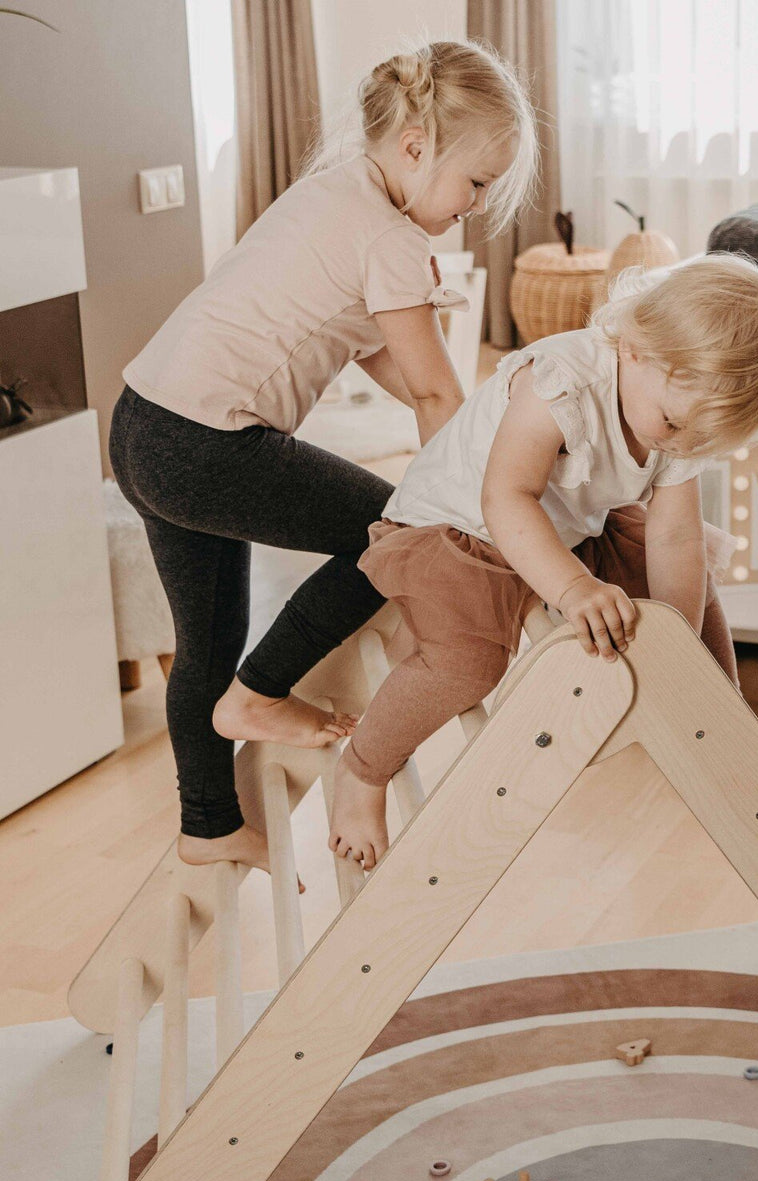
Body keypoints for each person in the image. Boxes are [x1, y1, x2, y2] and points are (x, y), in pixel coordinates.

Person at [108, 40, 538, 880]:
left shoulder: (331, 191)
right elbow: (434, 397)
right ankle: (260, 692)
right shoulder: (390, 239)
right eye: (477, 182)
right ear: (417, 149)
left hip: (141, 427)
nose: (477, 205)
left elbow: (371, 346)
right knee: (390, 537)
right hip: (208, 443)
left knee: (205, 639)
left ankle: (209, 823)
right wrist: (472, 505)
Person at [327, 255, 758, 869]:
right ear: (637, 348)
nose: (678, 447)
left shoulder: (682, 417)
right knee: (468, 663)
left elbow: (675, 535)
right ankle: (363, 772)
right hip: (460, 530)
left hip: (566, 526)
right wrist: (575, 589)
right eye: (675, 426)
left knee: (693, 579)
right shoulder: (560, 380)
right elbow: (506, 496)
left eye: (699, 441)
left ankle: (717, 719)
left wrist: (671, 640)